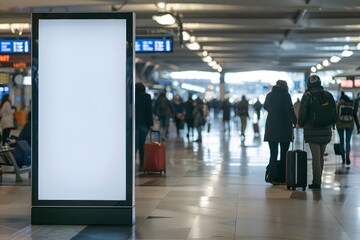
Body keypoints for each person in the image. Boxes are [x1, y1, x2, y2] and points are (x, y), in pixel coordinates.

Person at [297, 75, 336, 189]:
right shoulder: (328, 95)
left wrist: (300, 123)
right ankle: (318, 180)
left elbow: (303, 112)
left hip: (312, 130)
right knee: (320, 157)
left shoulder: (308, 95)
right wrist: (332, 124)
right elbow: (334, 110)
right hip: (325, 129)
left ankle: (317, 182)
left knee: (316, 157)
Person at [263, 80, 297, 184]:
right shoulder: (286, 95)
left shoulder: (269, 95)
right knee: (284, 154)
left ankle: (272, 176)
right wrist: (296, 122)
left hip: (271, 128)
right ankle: (282, 177)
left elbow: (265, 106)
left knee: (273, 153)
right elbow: (289, 110)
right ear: (285, 86)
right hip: (284, 129)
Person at [335, 94, 360, 165]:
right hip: (350, 124)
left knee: (342, 142)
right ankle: (347, 156)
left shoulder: (339, 104)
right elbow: (354, 115)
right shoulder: (351, 104)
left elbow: (336, 114)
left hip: (340, 124)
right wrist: (358, 127)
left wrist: (333, 124)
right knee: (348, 142)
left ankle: (343, 159)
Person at [135, 82, 154, 171]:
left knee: (134, 145)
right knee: (142, 145)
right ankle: (142, 163)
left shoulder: (132, 96)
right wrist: (151, 124)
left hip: (133, 124)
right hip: (144, 124)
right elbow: (149, 111)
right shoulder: (147, 97)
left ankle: (132, 163)